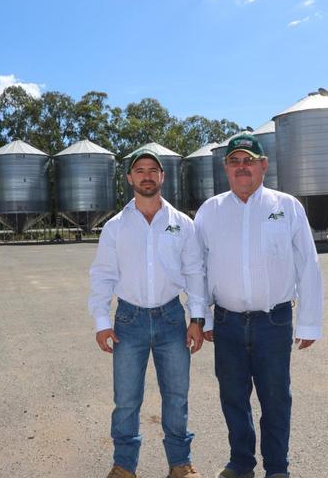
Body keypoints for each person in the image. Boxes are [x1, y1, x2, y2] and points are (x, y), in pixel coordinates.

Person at [194, 134, 323, 478]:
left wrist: (309, 323)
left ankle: (277, 468)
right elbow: (198, 268)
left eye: (249, 161)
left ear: (263, 165)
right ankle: (240, 463)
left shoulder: (287, 207)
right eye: (235, 161)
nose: (242, 167)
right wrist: (202, 316)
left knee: (276, 399)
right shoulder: (210, 211)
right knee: (233, 398)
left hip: (274, 322)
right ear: (226, 168)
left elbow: (307, 264)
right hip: (227, 323)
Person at [88, 149, 207, 478]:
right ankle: (124, 466)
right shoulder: (115, 227)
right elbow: (102, 276)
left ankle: (180, 464)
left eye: (153, 170)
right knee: (126, 399)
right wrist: (101, 322)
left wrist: (197, 319)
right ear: (129, 178)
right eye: (139, 170)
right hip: (129, 321)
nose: (146, 175)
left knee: (177, 396)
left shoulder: (182, 224)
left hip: (172, 319)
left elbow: (195, 273)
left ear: (162, 176)